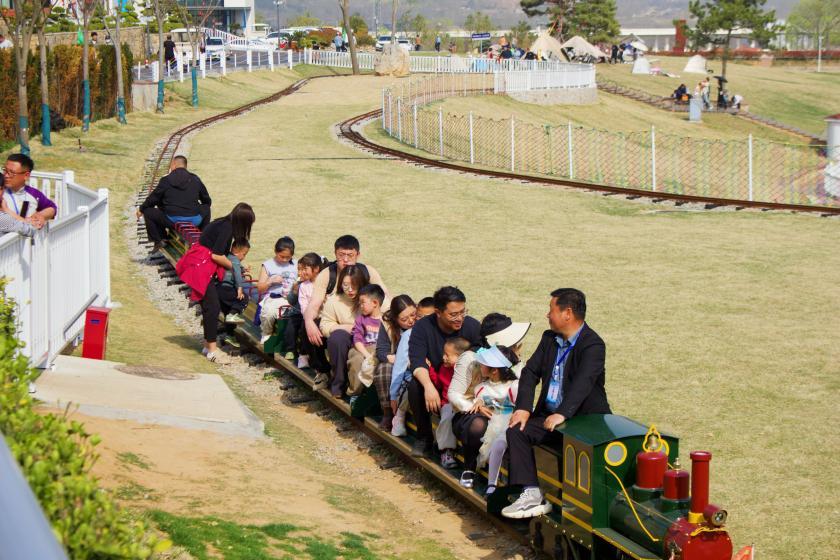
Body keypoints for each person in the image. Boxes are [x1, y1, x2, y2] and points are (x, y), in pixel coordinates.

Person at [502, 288, 611, 519]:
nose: (547, 315)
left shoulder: (593, 345)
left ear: (567, 313)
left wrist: (563, 413)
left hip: (581, 421)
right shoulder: (549, 339)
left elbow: (584, 382)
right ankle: (531, 494)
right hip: (549, 416)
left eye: (551, 310)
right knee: (517, 430)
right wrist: (523, 408)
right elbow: (530, 373)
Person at [449, 313, 530, 486]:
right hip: (469, 414)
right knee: (479, 423)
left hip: (503, 413)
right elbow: (454, 394)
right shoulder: (470, 359)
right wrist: (474, 405)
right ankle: (469, 467)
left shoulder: (511, 358)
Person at [176, 203, 255, 364]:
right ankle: (212, 350)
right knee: (212, 307)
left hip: (201, 262)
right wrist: (235, 268)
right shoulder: (227, 228)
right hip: (202, 266)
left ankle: (207, 345)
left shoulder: (223, 223)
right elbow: (217, 256)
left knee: (210, 306)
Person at [407, 286, 481, 458]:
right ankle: (424, 437)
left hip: (466, 387)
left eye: (463, 312)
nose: (459, 318)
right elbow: (417, 361)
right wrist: (429, 387)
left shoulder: (472, 326)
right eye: (453, 314)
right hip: (437, 381)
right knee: (415, 386)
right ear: (438, 312)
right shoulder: (422, 327)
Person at [303, 235, 388, 348]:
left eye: (350, 255)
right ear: (335, 253)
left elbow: (385, 297)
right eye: (341, 255)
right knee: (309, 324)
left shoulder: (368, 272)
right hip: (335, 322)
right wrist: (309, 322)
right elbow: (314, 304)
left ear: (358, 255)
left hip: (366, 321)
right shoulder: (327, 275)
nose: (346, 260)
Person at [461, 344, 519, 493]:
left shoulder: (512, 387)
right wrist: (478, 403)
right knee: (494, 443)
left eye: (484, 364)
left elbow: (522, 406)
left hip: (510, 421)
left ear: (494, 371)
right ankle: (491, 484)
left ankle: (498, 484)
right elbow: (478, 399)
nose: (480, 365)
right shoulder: (481, 387)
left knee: (500, 443)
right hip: (492, 424)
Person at [136, 155, 211, 253]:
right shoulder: (195, 179)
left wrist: (141, 209)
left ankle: (160, 240)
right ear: (185, 166)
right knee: (206, 208)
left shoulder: (166, 180)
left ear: (174, 164)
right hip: (194, 220)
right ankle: (202, 238)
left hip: (172, 220)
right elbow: (207, 201)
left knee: (148, 211)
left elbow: (153, 199)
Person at [318, 264, 369, 397]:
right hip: (347, 338)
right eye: (346, 285)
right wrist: (344, 327)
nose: (350, 290)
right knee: (337, 338)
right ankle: (338, 383)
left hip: (368, 338)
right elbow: (325, 325)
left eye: (354, 285)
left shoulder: (370, 298)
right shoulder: (335, 300)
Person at [389, 297, 436, 436]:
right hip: (411, 378)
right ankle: (400, 415)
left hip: (435, 377)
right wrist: (393, 395)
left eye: (413, 315)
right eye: (420, 317)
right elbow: (399, 367)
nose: (412, 320)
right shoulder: (409, 334)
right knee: (412, 385)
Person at [372, 294, 417, 431]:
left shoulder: (422, 322)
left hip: (414, 363)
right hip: (396, 362)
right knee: (384, 368)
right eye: (404, 319)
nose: (411, 321)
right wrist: (400, 360)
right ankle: (387, 412)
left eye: (413, 315)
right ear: (395, 319)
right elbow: (381, 351)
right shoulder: (387, 325)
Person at [436, 337, 473, 469]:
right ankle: (446, 451)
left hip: (467, 403)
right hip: (448, 403)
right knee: (447, 418)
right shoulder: (444, 369)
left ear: (461, 357)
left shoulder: (469, 369)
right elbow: (437, 383)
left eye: (447, 355)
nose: (444, 357)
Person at [289, 252, 328, 369]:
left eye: (305, 269)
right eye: (300, 269)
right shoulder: (304, 286)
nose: (301, 273)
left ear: (316, 269)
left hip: (326, 317)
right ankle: (313, 361)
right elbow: (304, 307)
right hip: (312, 317)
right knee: (305, 327)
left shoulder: (326, 282)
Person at [346, 283, 385, 397]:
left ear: (375, 303)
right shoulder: (361, 320)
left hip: (379, 349)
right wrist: (367, 355)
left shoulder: (386, 320)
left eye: (363, 302)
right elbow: (357, 339)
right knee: (356, 360)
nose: (360, 305)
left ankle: (377, 396)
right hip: (361, 348)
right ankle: (354, 392)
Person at [256, 236, 297, 344]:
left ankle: (291, 343)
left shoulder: (297, 264)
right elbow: (260, 288)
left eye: (288, 257)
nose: (284, 260)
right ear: (275, 251)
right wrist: (270, 281)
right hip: (274, 297)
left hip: (293, 297)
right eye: (281, 256)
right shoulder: (268, 265)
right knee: (269, 312)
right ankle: (266, 333)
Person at [2, 154, 57, 230]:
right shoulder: (1, 192)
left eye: (11, 172)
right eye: (5, 170)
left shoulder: (33, 194)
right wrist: (26, 222)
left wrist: (41, 215)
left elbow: (52, 208)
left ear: (26, 175)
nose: (6, 176)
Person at [216, 239, 250, 346]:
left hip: (218, 289)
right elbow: (237, 274)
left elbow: (235, 270)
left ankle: (229, 335)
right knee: (244, 298)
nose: (244, 257)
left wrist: (244, 270)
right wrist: (240, 287)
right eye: (244, 254)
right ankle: (232, 315)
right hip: (227, 288)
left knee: (228, 312)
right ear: (236, 251)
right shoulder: (235, 260)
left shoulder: (226, 257)